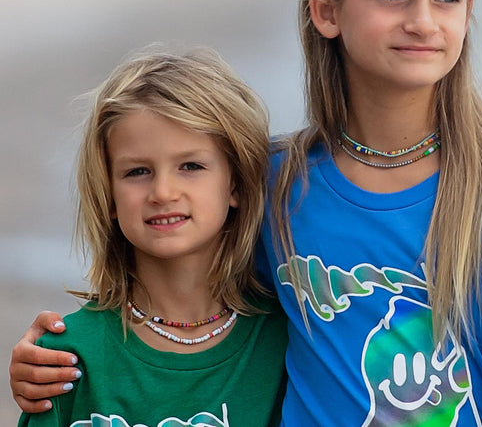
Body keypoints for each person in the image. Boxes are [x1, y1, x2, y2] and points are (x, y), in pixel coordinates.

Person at [10, 0, 482, 426]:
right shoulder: (276, 182)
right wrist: (64, 354)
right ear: (326, 11)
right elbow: (184, 306)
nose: (422, 21)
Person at [15, 50, 287, 427]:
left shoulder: (290, 340)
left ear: (236, 184)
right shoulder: (65, 358)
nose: (162, 191)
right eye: (137, 171)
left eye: (191, 166)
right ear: (108, 194)